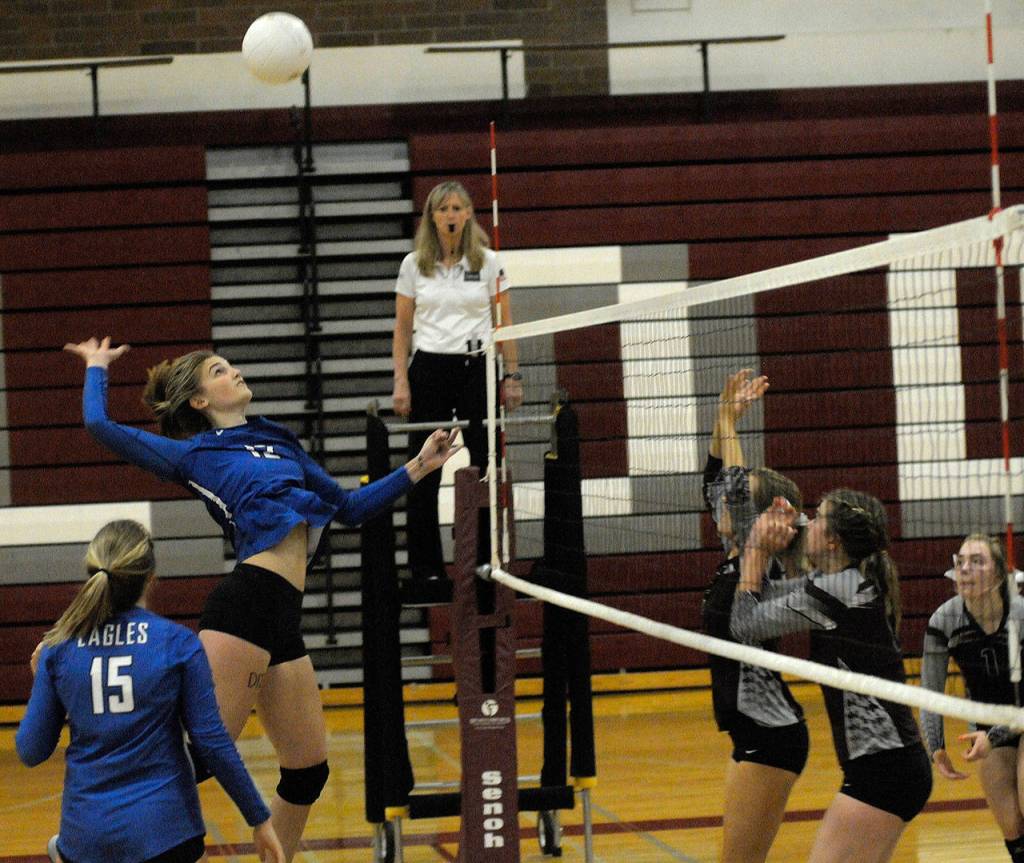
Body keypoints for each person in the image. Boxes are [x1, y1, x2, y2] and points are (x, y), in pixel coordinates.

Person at [63, 336, 460, 862]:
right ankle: (81, 843)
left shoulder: (279, 441)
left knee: (307, 769)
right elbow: (99, 427)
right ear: (200, 401)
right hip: (246, 605)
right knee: (198, 760)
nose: (236, 372)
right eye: (221, 370)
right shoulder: (195, 455)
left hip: (282, 616)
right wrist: (96, 367)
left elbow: (349, 507)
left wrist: (419, 467)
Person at [16, 519, 285, 863]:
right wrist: (259, 819)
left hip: (86, 840)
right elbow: (212, 742)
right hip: (166, 835)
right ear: (150, 579)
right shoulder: (176, 644)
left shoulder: (60, 649)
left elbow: (30, 750)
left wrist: (43, 681)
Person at [731, 489, 933, 863]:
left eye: (817, 516)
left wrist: (758, 549)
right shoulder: (841, 584)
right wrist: (761, 539)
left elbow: (744, 623)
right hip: (889, 767)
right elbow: (762, 593)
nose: (807, 520)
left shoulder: (837, 589)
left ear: (832, 540)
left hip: (884, 773)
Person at [701, 369, 809, 863]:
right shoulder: (734, 556)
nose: (724, 497)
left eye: (739, 497)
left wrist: (730, 423)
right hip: (752, 733)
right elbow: (722, 479)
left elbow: (735, 487)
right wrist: (724, 418)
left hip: (771, 736)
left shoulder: (757, 568)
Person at [391, 180, 522, 581]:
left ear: (469, 215)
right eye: (442, 208)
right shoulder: (414, 264)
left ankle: (485, 558)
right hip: (429, 368)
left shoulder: (489, 263)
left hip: (476, 366)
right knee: (424, 467)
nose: (450, 215)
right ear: (432, 216)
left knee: (484, 464)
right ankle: (425, 567)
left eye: (457, 208)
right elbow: (401, 328)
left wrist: (512, 375)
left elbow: (505, 323)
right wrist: (401, 380)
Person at [920, 533, 1024, 862]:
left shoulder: (1020, 615)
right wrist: (936, 746)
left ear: (997, 575)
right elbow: (930, 693)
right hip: (988, 727)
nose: (965, 569)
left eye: (976, 561)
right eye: (960, 561)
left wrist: (993, 736)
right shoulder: (944, 620)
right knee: (1012, 827)